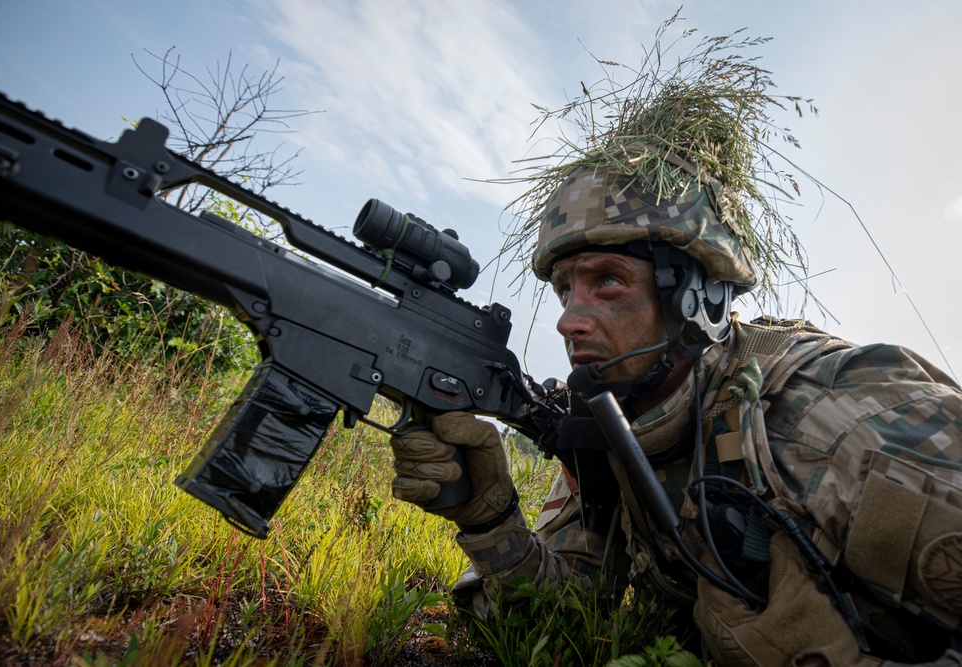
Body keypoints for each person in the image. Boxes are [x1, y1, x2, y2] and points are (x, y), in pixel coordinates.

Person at [387, 165, 962, 666]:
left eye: (608, 281)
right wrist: (491, 521)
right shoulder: (606, 437)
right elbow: (558, 631)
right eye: (565, 290)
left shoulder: (831, 418)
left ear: (697, 299)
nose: (568, 321)